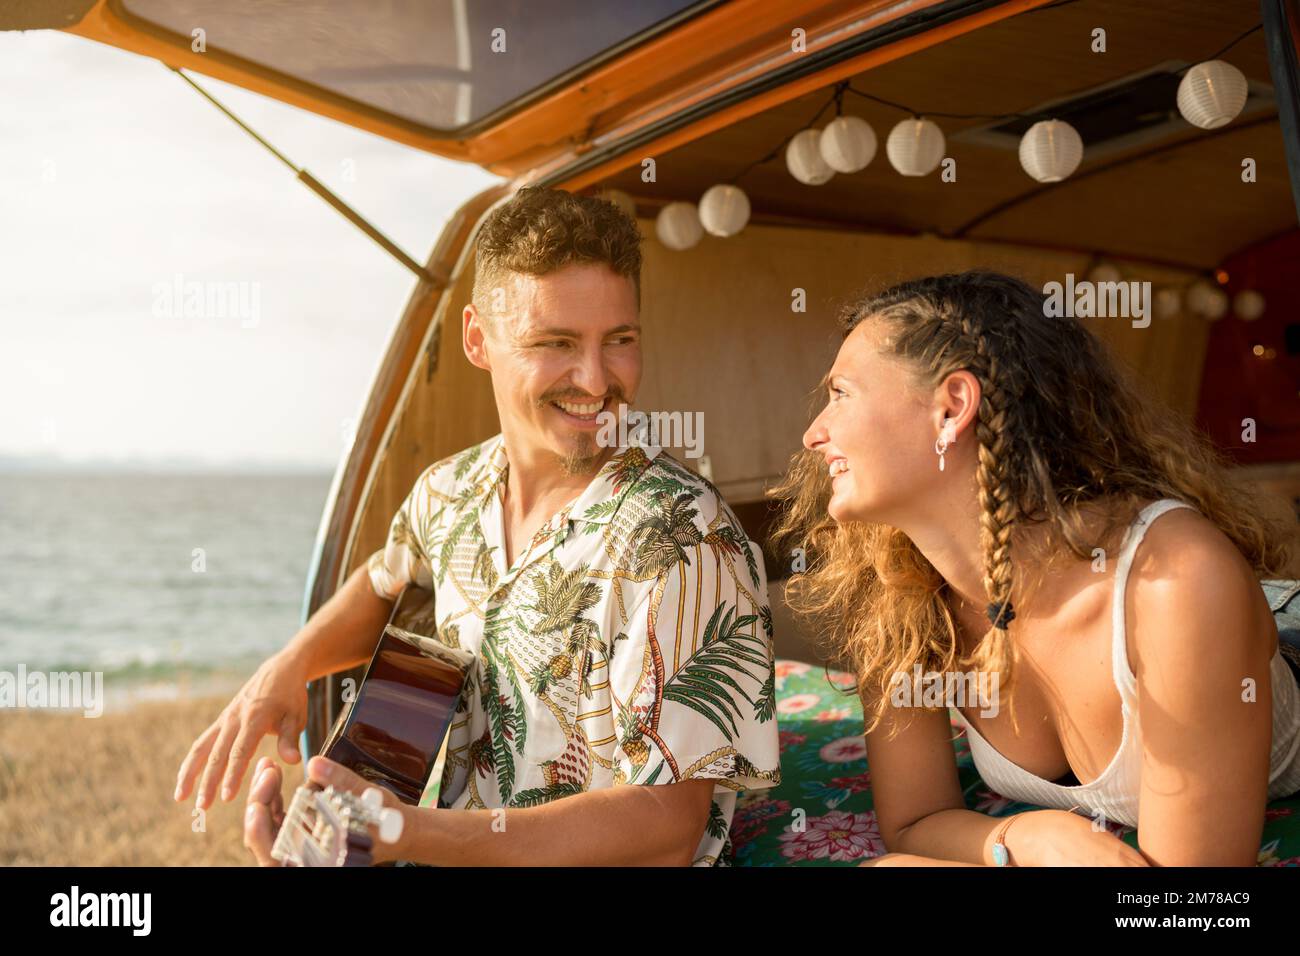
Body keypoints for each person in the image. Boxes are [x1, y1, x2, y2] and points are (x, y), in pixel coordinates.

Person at [173, 187, 780, 865]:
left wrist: (403, 834)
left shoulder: (681, 534)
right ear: (476, 339)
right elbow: (386, 582)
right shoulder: (447, 491)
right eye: (555, 342)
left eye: (620, 340)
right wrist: (288, 667)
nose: (595, 378)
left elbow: (668, 826)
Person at [772, 269, 1300, 867]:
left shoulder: (1176, 581)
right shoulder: (894, 588)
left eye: (840, 393)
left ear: (951, 408)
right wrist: (1023, 838)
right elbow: (916, 821)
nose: (815, 434)